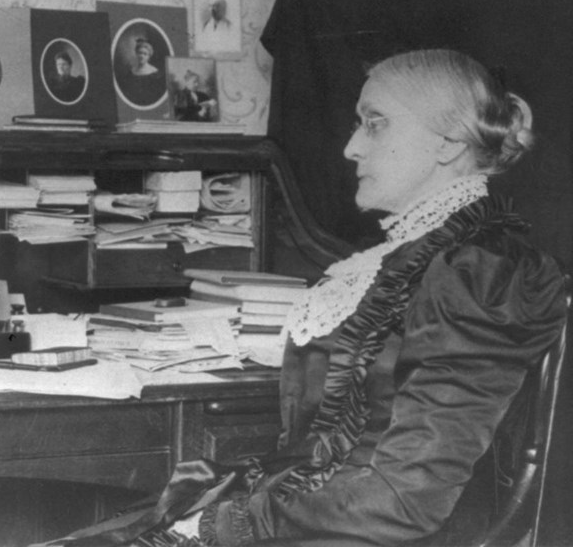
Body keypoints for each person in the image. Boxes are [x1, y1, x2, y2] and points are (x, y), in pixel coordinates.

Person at [33, 49, 568, 546]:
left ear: (449, 142)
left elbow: (409, 498)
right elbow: (330, 453)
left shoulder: (479, 271)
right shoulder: (410, 257)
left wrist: (232, 522)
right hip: (332, 520)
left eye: (375, 124)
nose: (352, 146)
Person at [119, 38, 165, 107]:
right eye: (140, 53)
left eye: (145, 54)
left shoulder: (155, 73)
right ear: (136, 54)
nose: (141, 56)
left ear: (149, 56)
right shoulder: (131, 72)